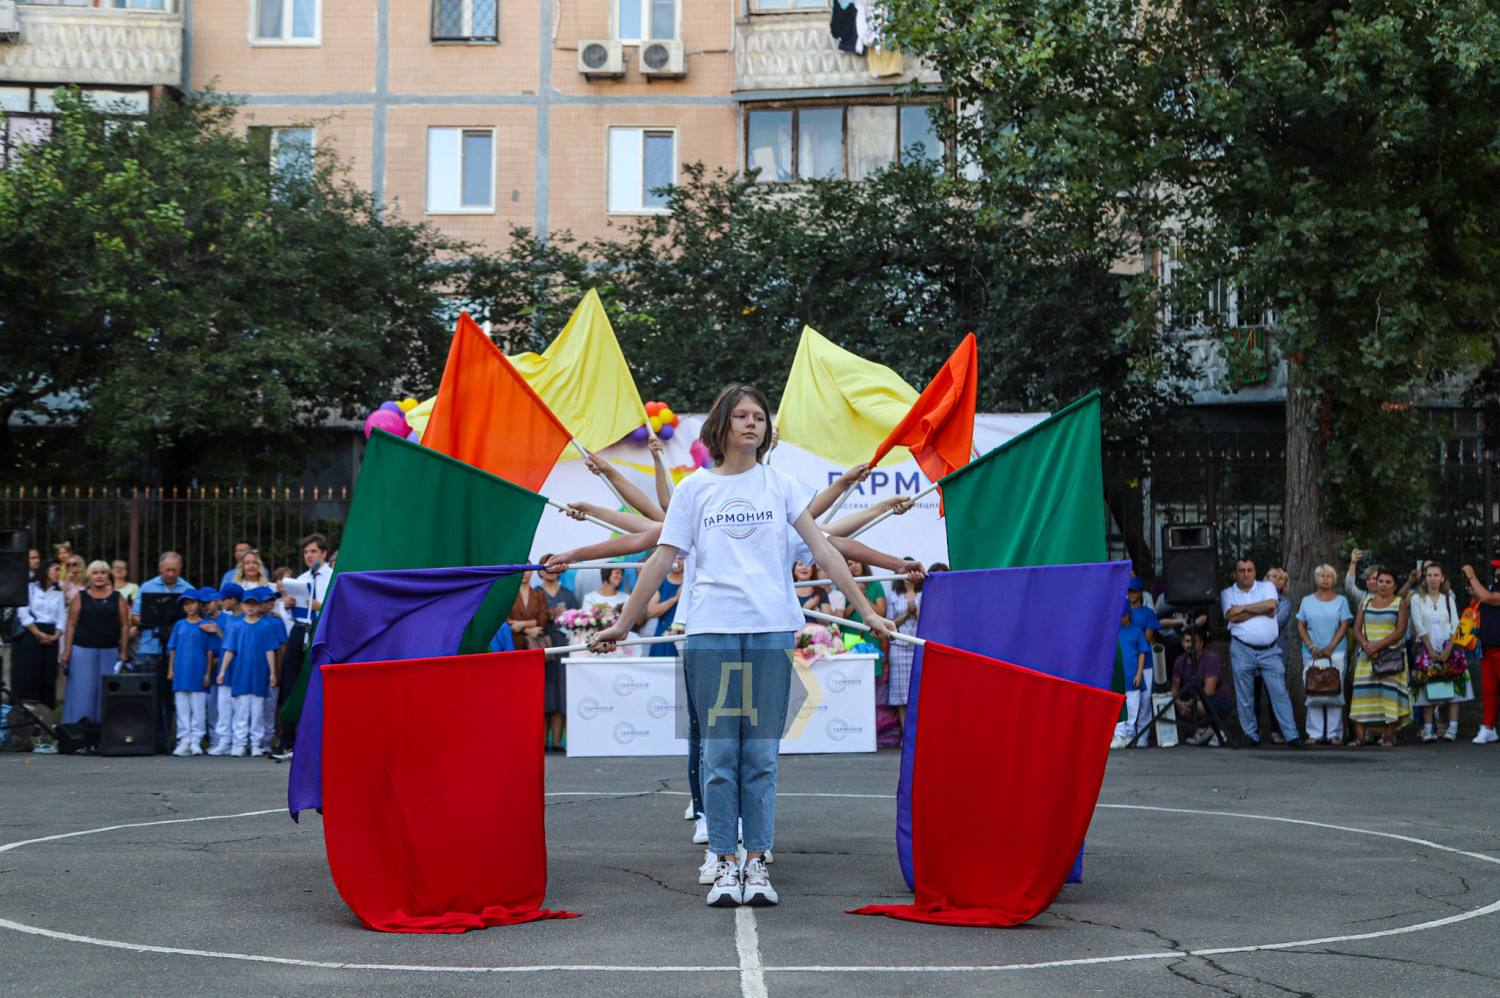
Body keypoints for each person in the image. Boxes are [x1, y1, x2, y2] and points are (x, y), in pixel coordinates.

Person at [590, 383, 893, 909]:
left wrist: (866, 611)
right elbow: (660, 559)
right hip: (711, 632)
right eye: (742, 416)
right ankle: (724, 861)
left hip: (771, 631)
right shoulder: (694, 489)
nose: (753, 423)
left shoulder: (782, 485)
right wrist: (623, 623)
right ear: (722, 425)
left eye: (760, 417)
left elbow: (824, 550)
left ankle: (757, 861)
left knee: (761, 755)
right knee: (719, 754)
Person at [1222, 558, 1305, 748]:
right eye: (1241, 570)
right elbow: (1232, 616)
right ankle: (1250, 735)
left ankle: (1291, 736)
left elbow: (1271, 607)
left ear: (1255, 572)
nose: (1246, 573)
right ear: (1235, 574)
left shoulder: (1267, 587)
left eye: (1249, 570)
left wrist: (1242, 608)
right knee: (1245, 696)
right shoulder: (1227, 593)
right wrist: (1260, 609)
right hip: (1242, 648)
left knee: (1280, 693)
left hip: (1270, 650)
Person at [276, 534, 332, 758]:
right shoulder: (300, 579)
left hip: (320, 631)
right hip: (300, 629)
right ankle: (286, 740)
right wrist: (288, 604)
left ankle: (318, 740)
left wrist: (321, 605)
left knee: (318, 683)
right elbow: (293, 610)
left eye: (313, 551)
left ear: (324, 553)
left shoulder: (332, 576)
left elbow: (338, 605)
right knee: (290, 681)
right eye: (306, 552)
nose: (309, 556)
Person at [60, 561, 130, 727]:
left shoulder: (117, 597)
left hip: (110, 650)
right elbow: (71, 624)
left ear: (108, 576)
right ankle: (77, 728)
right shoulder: (80, 597)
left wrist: (123, 650)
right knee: (82, 690)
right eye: (95, 573)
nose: (99, 576)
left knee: (106, 690)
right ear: (89, 576)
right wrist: (67, 650)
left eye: (103, 573)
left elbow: (125, 624)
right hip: (82, 650)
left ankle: (105, 729)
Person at [1349, 567, 1412, 747]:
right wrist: (1367, 646)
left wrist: (1377, 646)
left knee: (1389, 695)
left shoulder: (1399, 602)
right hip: (1366, 656)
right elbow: (1356, 629)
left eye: (1388, 582)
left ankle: (1388, 736)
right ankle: (1360, 737)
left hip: (1390, 657)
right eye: (1380, 581)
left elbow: (1401, 630)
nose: (1383, 585)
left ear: (1395, 586)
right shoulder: (1366, 602)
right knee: (1363, 696)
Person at [219, 586, 284, 757]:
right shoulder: (236, 626)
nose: (250, 607)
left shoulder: (266, 627)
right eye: (247, 603)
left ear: (259, 606)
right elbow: (229, 650)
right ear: (242, 605)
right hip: (240, 674)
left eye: (254, 604)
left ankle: (256, 743)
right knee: (241, 709)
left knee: (257, 711)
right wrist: (222, 671)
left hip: (259, 675)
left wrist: (273, 673)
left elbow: (270, 650)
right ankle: (239, 743)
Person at [1408, 562, 1469, 742]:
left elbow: (1455, 624)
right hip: (1427, 647)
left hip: (1448, 646)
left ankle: (1452, 727)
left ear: (1442, 578)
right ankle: (1428, 728)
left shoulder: (1448, 599)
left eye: (1436, 575)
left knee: (1453, 686)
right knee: (1427, 686)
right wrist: (1430, 649)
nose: (1433, 579)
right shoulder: (1417, 599)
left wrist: (1449, 649)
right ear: (1425, 578)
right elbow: (1418, 625)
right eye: (1429, 575)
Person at [1294, 563, 1354, 745]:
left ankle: (1335, 733)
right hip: (1311, 653)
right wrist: (1311, 646)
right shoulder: (1306, 601)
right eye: (1322, 575)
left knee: (1335, 690)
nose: (1325, 579)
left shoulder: (1341, 601)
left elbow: (1344, 625)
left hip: (1336, 652)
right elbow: (1301, 625)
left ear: (1334, 580)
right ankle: (1314, 733)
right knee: (1314, 690)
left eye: (1329, 576)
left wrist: (1331, 647)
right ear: (1316, 579)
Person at [167, 589, 218, 756]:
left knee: (198, 709)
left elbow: (209, 651)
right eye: (186, 604)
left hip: (198, 670)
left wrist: (208, 673)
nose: (190, 607)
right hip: (181, 672)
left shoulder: (205, 625)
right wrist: (171, 669)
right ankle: (184, 740)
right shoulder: (179, 625)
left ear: (199, 604)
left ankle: (196, 740)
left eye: (193, 603)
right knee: (182, 708)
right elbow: (173, 649)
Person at [535, 558, 580, 752]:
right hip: (540, 644)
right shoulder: (535, 593)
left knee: (561, 690)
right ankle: (542, 741)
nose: (551, 571)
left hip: (563, 646)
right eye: (548, 567)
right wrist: (547, 615)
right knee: (543, 691)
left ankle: (558, 742)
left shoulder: (568, 595)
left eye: (555, 567)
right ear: (540, 571)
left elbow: (578, 622)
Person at [13, 559, 66, 709]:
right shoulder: (30, 588)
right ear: (46, 570)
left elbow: (61, 618)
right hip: (31, 632)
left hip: (51, 633)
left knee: (48, 674)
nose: (58, 574)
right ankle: (26, 709)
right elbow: (22, 611)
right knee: (29, 672)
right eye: (56, 570)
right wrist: (37, 633)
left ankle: (45, 710)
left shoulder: (58, 594)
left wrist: (56, 635)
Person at [1460, 562, 1500, 744]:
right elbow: (1482, 600)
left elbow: (1489, 599)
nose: (1497, 571)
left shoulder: (1491, 592)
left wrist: (1472, 576)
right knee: (1488, 690)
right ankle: (1489, 727)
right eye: (1497, 569)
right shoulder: (1492, 588)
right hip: (1488, 647)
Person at [1173, 626, 1234, 745]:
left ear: (1201, 643)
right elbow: (1174, 689)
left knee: (1200, 706)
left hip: (1218, 700)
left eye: (1193, 642)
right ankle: (1204, 730)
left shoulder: (1211, 659)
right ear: (1182, 642)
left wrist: (1191, 702)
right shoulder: (1180, 661)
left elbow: (1209, 690)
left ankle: (1217, 731)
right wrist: (1179, 703)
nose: (1189, 645)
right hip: (1194, 699)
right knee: (1176, 707)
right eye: (1187, 641)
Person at [205, 583, 243, 756]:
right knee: (224, 706)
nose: (221, 602)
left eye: (224, 599)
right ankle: (224, 741)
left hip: (239, 667)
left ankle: (237, 741)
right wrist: (218, 631)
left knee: (239, 708)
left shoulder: (245, 619)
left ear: (233, 600)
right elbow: (227, 641)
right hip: (226, 669)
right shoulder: (228, 619)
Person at [1112, 598, 1153, 748]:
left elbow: (1142, 653)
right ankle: (1119, 735)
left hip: (1132, 676)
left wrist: (1139, 673)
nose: (1121, 618)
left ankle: (1129, 735)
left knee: (1132, 706)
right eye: (1119, 615)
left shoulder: (1137, 631)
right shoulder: (1113, 631)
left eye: (1124, 615)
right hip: (1117, 677)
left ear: (1129, 614)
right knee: (1118, 706)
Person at [886, 565, 921, 731]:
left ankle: (918, 735)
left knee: (920, 692)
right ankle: (905, 734)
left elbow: (928, 621)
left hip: (919, 646)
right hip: (899, 647)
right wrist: (907, 613)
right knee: (900, 694)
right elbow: (889, 624)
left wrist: (915, 612)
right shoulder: (894, 596)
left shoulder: (924, 594)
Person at [646, 555, 685, 657]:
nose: (677, 561)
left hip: (684, 637)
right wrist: (675, 599)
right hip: (663, 635)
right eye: (674, 558)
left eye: (681, 559)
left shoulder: (691, 583)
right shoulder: (659, 582)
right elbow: (652, 611)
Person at [506, 570, 551, 651]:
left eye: (527, 569)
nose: (524, 573)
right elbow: (507, 622)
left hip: (535, 643)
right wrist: (527, 630)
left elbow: (542, 620)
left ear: (532, 571)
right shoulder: (508, 595)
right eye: (521, 570)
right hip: (514, 644)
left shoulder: (540, 595)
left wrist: (521, 624)